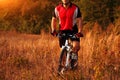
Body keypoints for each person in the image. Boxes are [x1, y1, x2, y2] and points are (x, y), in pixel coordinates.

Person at [51, 0, 83, 69]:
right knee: (62, 52)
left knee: (76, 46)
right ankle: (63, 69)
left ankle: (74, 63)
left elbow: (80, 20)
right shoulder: (57, 8)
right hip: (62, 31)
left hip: (73, 30)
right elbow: (54, 19)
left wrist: (79, 31)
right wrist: (53, 29)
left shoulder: (75, 8)